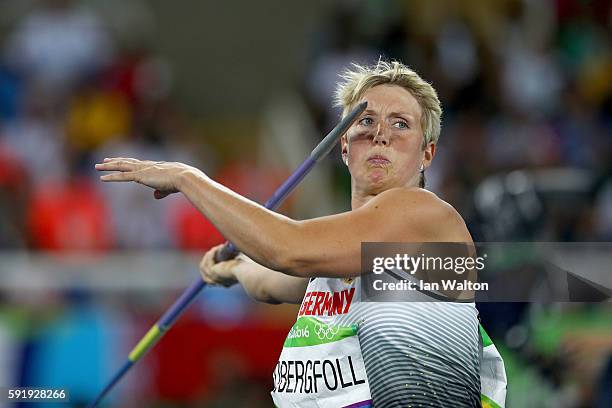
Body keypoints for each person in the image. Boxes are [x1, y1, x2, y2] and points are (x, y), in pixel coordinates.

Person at [96, 60, 494, 407]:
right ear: (343, 145)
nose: (380, 134)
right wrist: (234, 270)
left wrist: (189, 178)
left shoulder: (424, 215)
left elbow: (289, 251)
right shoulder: (347, 257)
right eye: (366, 121)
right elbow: (275, 282)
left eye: (401, 124)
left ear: (427, 153)